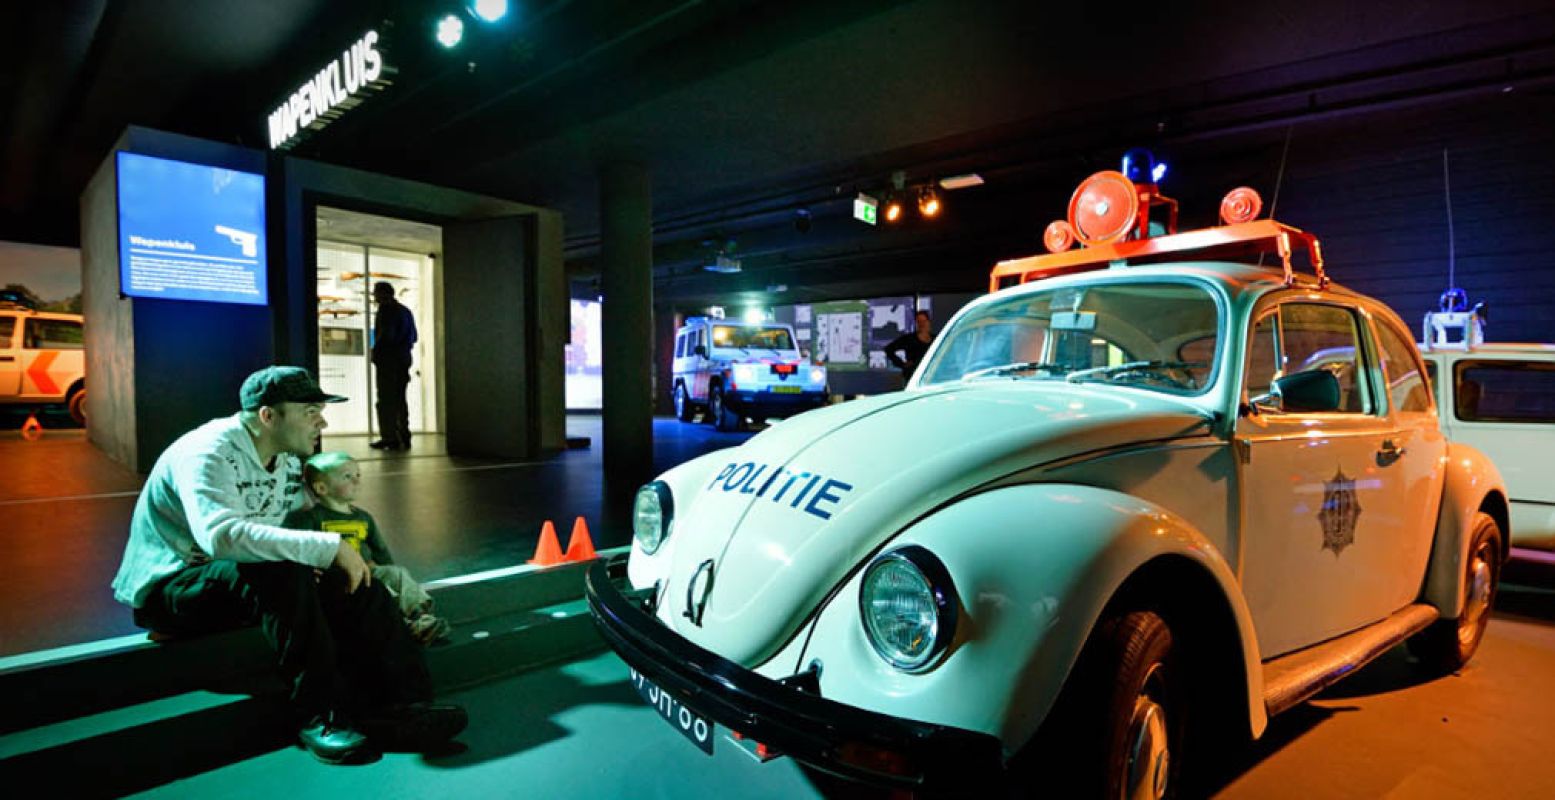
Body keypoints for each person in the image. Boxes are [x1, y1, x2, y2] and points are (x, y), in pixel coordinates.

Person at [110, 366, 465, 764]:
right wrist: (325, 548)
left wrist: (342, 559)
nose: (323, 421)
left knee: (358, 578)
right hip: (175, 589)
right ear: (268, 416)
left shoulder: (288, 461)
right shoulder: (207, 452)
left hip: (248, 584)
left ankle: (400, 708)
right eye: (311, 411)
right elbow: (221, 538)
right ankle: (321, 716)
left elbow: (294, 532)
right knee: (282, 567)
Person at [285, 452, 451, 644]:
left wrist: (388, 571)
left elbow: (380, 550)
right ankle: (404, 624)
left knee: (397, 574)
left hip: (368, 570)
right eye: (347, 477)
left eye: (358, 475)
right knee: (380, 590)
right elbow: (300, 548)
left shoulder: (364, 518)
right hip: (340, 579)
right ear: (322, 488)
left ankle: (421, 617)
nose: (356, 481)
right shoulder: (311, 518)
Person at [370, 281, 417, 450]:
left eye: (375, 292)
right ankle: (404, 435)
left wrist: (375, 352)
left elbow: (386, 336)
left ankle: (389, 437)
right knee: (400, 399)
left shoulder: (386, 310)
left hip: (388, 361)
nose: (373, 296)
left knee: (386, 400)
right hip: (404, 359)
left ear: (383, 294)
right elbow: (414, 337)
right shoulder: (406, 311)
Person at [884, 309, 935, 381]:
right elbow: (889, 349)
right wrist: (902, 364)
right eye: (919, 322)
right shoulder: (909, 339)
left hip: (931, 377)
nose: (922, 324)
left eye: (924, 321)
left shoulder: (935, 339)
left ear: (929, 322)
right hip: (913, 377)